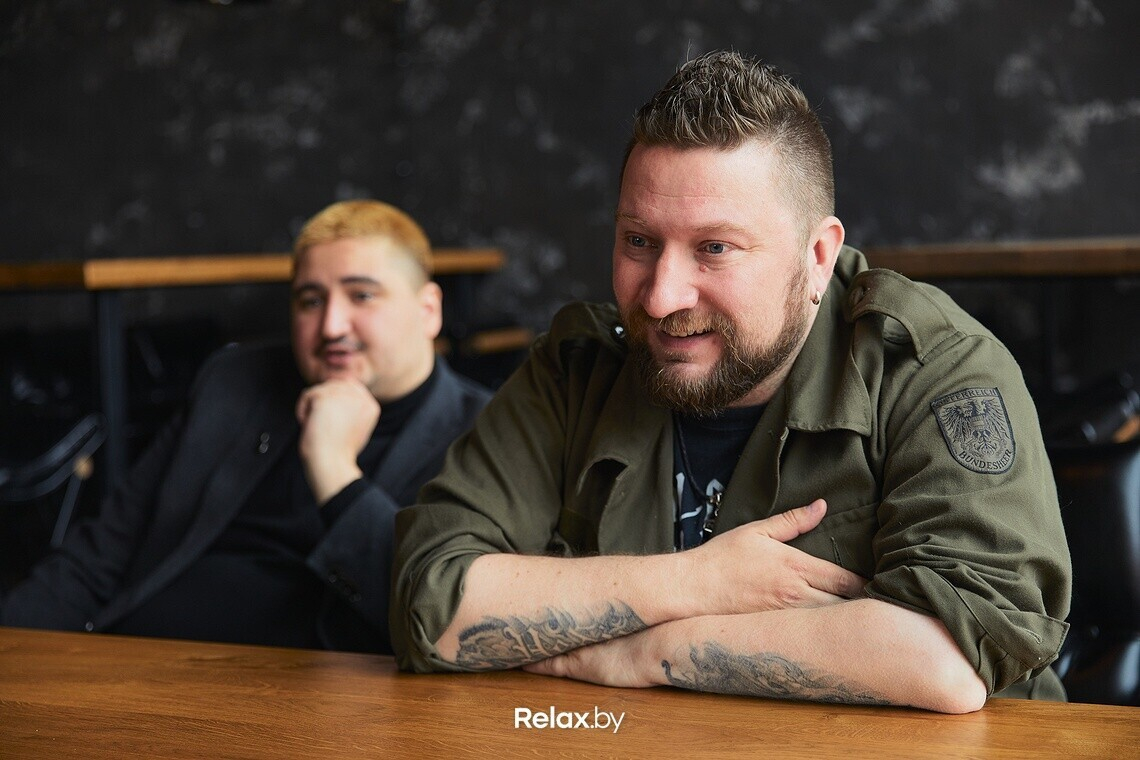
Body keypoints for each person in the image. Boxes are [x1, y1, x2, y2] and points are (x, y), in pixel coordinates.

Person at [390, 52, 1071, 713]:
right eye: (638, 241)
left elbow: (944, 662)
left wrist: (642, 655)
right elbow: (430, 604)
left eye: (714, 248)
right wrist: (694, 581)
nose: (661, 297)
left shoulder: (934, 370)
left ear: (817, 255)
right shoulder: (577, 370)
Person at [1, 199, 491, 654]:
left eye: (361, 295)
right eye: (310, 300)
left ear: (429, 310)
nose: (331, 326)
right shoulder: (235, 382)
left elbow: (436, 619)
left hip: (308, 700)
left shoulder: (483, 436)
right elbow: (102, 552)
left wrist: (335, 471)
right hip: (133, 663)